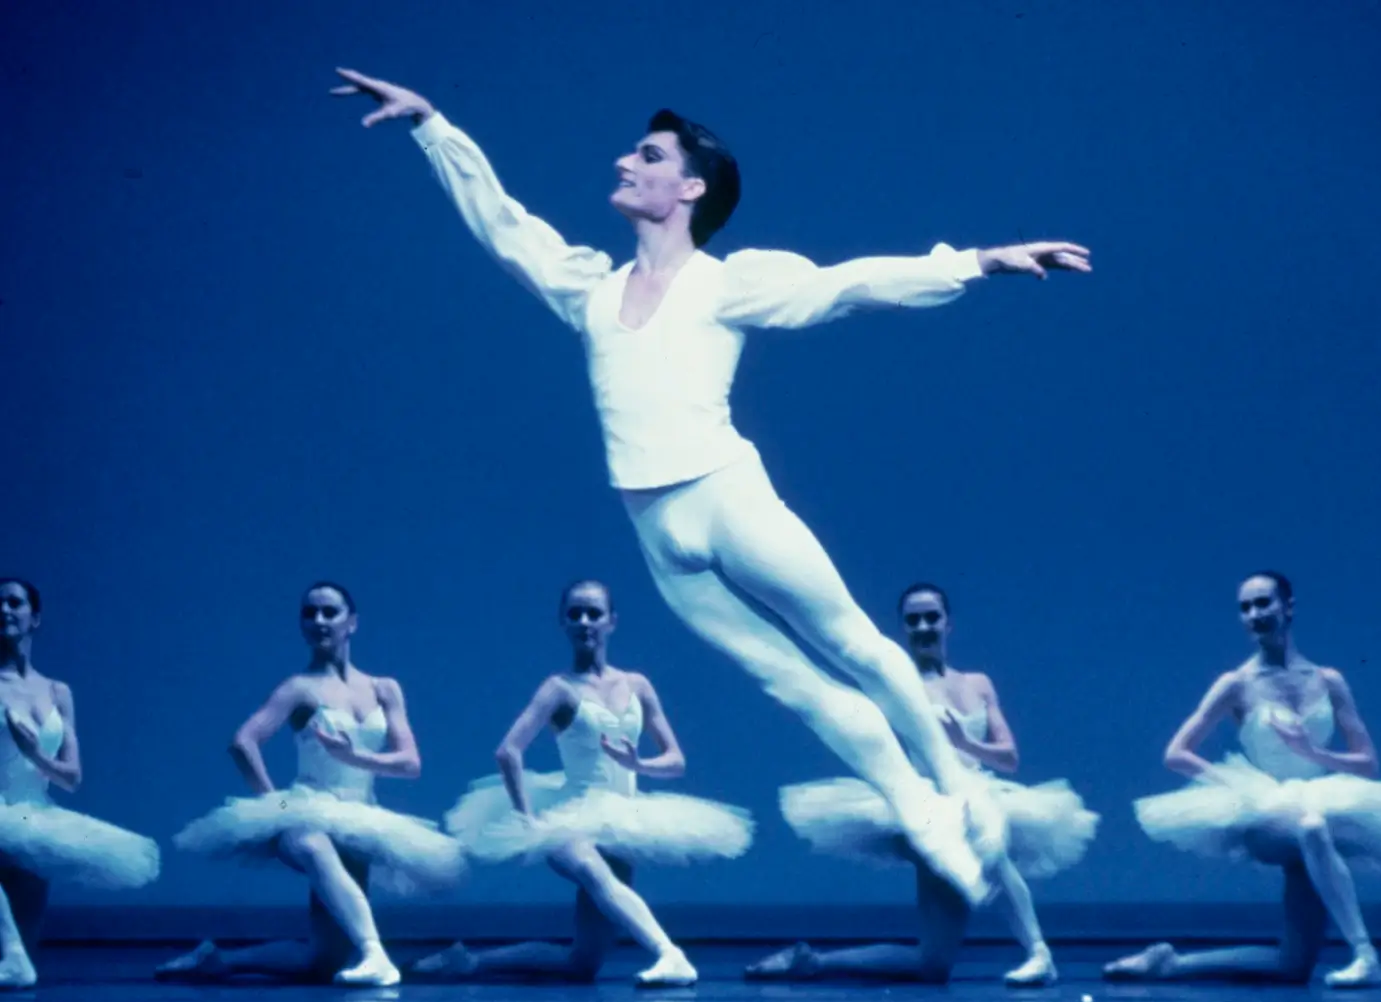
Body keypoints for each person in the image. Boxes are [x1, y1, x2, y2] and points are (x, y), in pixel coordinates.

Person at [330, 68, 1091, 903]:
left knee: (852, 645)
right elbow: (504, 227)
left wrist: (978, 262)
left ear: (689, 187)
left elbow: (848, 284)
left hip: (727, 499)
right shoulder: (590, 287)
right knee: (793, 683)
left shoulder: (726, 282)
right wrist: (432, 126)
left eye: (646, 154)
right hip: (657, 531)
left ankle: (957, 787)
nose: (625, 161)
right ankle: (916, 807)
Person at [1103, 572, 1381, 988]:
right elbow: (1176, 752)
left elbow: (1368, 763)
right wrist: (1239, 787)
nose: (1254, 614)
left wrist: (1313, 752)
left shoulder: (1328, 680)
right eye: (1245, 608)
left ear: (1288, 607)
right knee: (1311, 826)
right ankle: (1366, 954)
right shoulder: (1236, 684)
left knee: (1292, 965)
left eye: (1263, 603)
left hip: (1321, 796)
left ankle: (1169, 964)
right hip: (1268, 810)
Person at [748, 583, 1095, 985]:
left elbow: (1009, 757)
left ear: (948, 624)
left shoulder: (977, 684)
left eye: (932, 617)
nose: (924, 626)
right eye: (914, 620)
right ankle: (814, 962)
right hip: (930, 806)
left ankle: (1039, 952)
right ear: (904, 629)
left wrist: (965, 742)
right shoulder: (893, 688)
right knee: (933, 962)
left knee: (982, 837)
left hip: (978, 794)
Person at [415, 580, 752, 986]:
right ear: (563, 622)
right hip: (568, 815)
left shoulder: (637, 685)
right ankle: (670, 954)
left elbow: (675, 760)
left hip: (624, 820)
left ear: (612, 621)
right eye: (574, 613)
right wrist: (527, 819)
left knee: (582, 963)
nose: (584, 621)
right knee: (592, 871)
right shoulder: (558, 689)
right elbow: (508, 751)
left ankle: (467, 962)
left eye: (594, 612)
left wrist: (639, 762)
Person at [156, 583, 463, 986]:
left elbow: (410, 763)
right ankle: (377, 956)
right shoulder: (299, 688)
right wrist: (276, 808)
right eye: (310, 613)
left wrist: (354, 757)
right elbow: (242, 742)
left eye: (329, 612)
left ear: (351, 623)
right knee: (311, 844)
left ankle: (215, 961)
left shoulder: (384, 689)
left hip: (359, 816)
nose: (318, 620)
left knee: (324, 958)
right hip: (303, 807)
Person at [0, 579, 160, 988]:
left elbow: (72, 777)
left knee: (22, 965)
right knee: (13, 958)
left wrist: (34, 753)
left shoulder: (57, 691)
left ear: (34, 618)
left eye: (14, 602)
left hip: (34, 815)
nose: (4, 609)